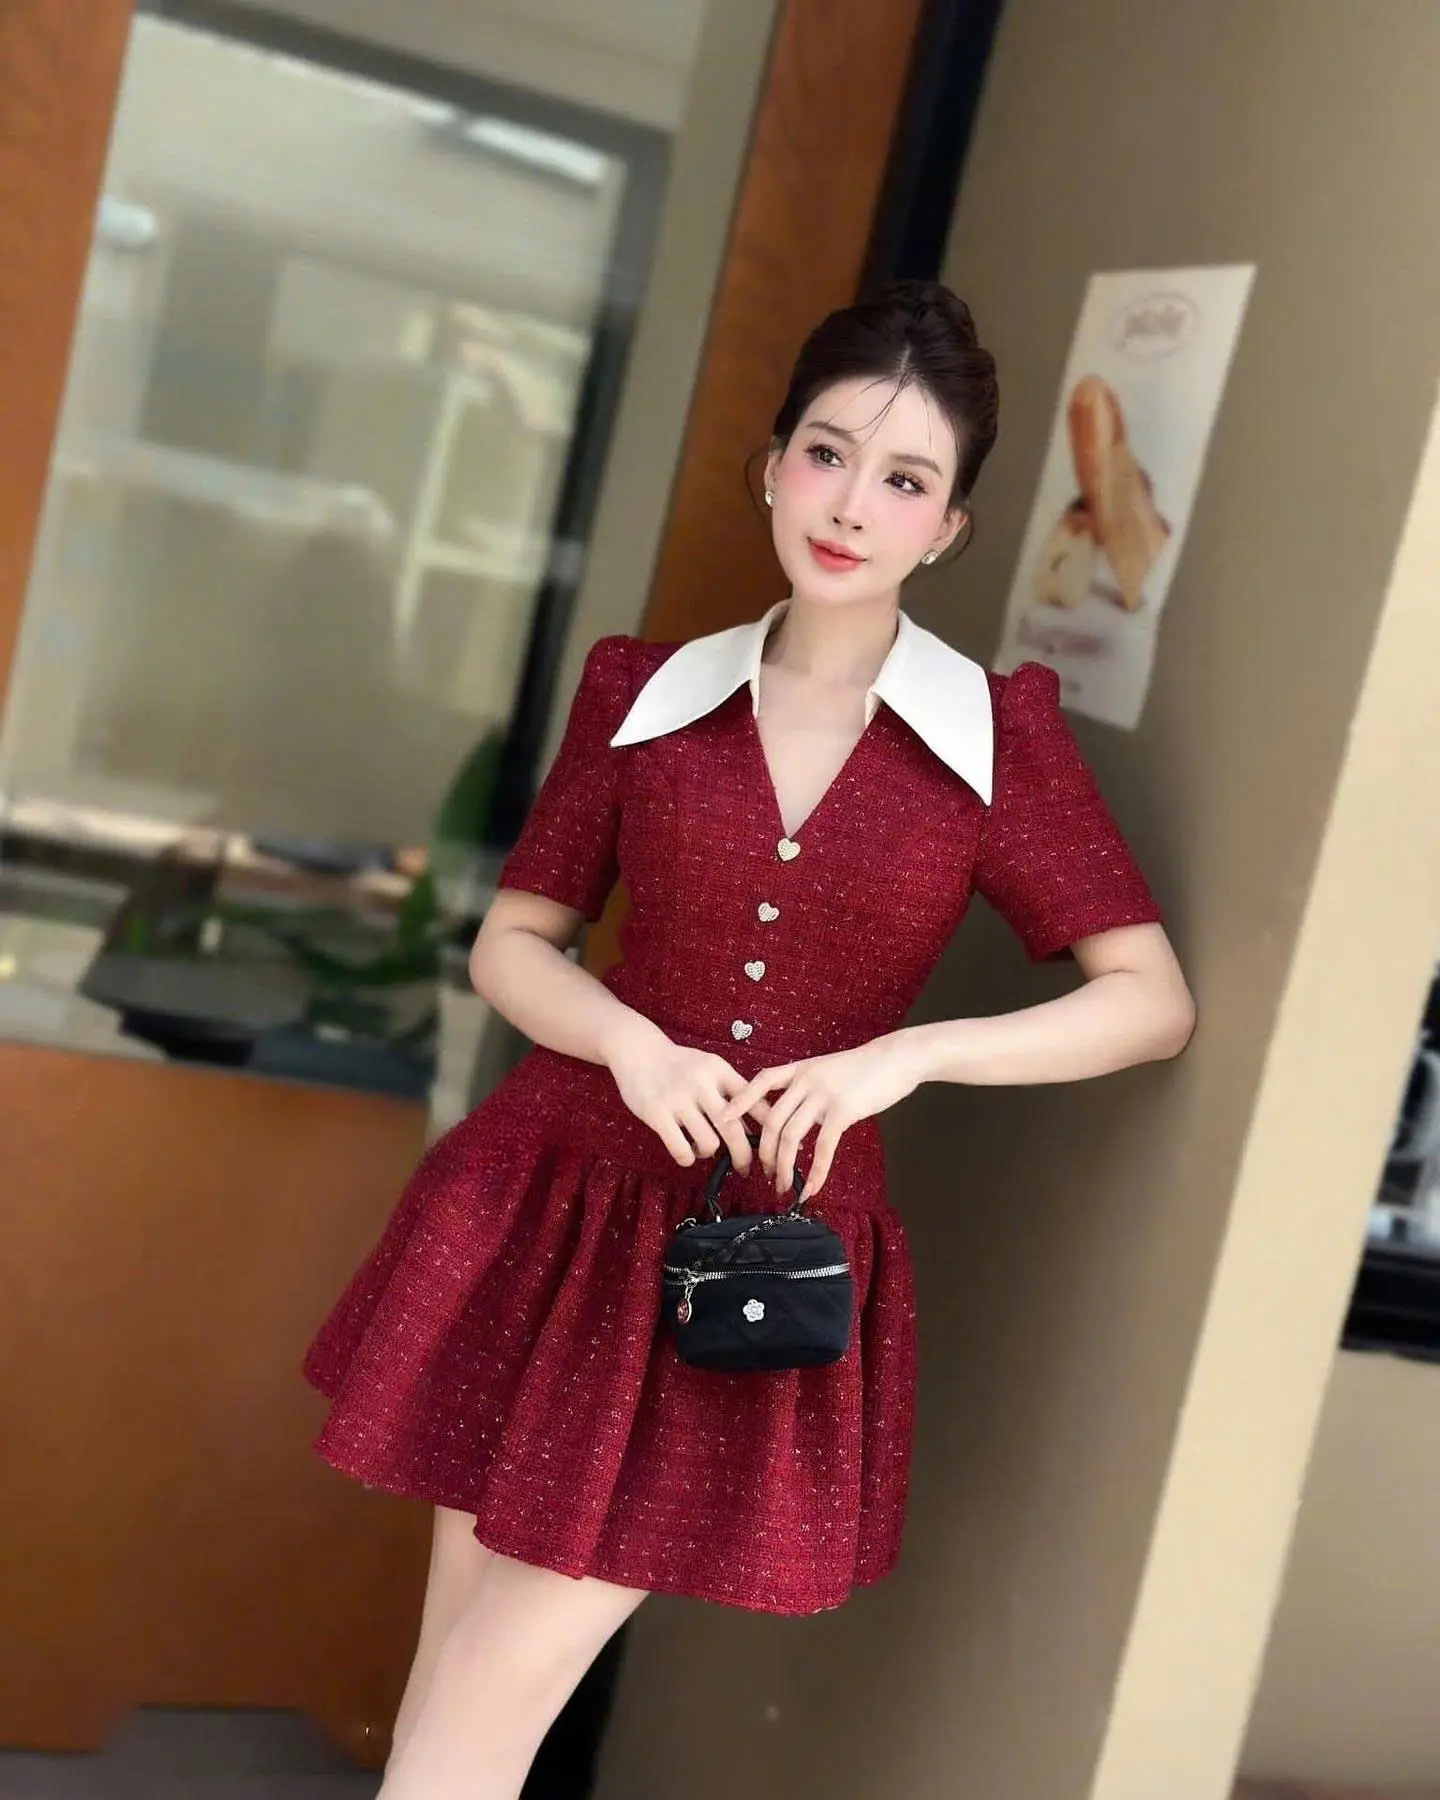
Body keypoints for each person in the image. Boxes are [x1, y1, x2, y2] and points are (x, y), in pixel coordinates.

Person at [302, 279, 1196, 1800]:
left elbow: (1149, 1003)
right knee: (457, 1685)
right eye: (828, 454)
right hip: (550, 1210)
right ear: (772, 464)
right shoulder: (642, 693)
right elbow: (512, 943)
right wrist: (629, 1043)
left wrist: (905, 1059)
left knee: (478, 1705)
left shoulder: (996, 741)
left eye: (904, 479)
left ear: (950, 528)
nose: (850, 505)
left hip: (749, 1261)